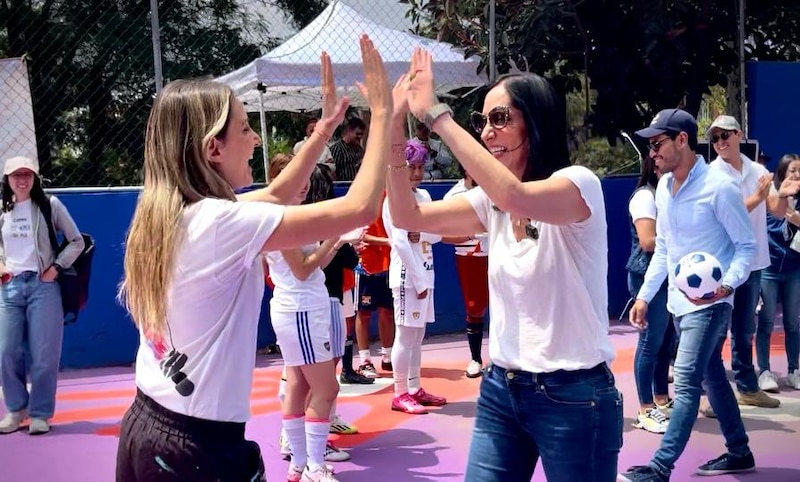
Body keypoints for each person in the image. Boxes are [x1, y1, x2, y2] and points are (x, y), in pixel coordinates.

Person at [114, 36, 392, 482]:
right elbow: (359, 207)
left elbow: (278, 194)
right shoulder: (221, 224)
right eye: (245, 129)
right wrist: (382, 115)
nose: (256, 140)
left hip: (151, 422)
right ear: (212, 149)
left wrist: (321, 132)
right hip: (194, 445)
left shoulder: (173, 211)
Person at [390, 48, 621, 481]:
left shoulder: (577, 184)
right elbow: (407, 217)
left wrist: (438, 115)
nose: (487, 132)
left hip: (572, 393)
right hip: (503, 388)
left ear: (534, 121)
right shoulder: (490, 201)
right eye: (482, 122)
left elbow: (516, 195)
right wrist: (390, 135)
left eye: (499, 119)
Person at [619, 108, 757, 481]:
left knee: (685, 379)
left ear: (682, 140)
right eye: (650, 145)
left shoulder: (719, 187)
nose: (653, 152)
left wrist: (726, 286)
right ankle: (740, 452)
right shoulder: (663, 187)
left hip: (711, 306)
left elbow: (746, 246)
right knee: (712, 377)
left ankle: (660, 467)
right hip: (678, 303)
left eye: (659, 143)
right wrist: (644, 296)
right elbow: (663, 248)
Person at [266, 156, 357, 480]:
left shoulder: (289, 216)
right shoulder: (284, 219)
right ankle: (314, 467)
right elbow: (303, 270)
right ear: (279, 180)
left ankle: (300, 465)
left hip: (300, 308)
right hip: (301, 310)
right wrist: (334, 238)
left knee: (299, 386)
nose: (304, 182)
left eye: (306, 175)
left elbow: (310, 266)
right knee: (326, 389)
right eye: (296, 176)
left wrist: (335, 242)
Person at [0, 156, 85, 435]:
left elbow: (77, 241)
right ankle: (16, 409)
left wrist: (57, 267)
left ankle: (40, 413)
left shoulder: (50, 205)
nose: (22, 180)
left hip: (43, 286)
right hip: (9, 287)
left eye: (27, 174)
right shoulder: (1, 208)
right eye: (16, 175)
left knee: (44, 354)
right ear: (7, 179)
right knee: (6, 351)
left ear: (35, 177)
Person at [705, 115, 779, 410]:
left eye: (725, 136)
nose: (720, 142)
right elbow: (728, 215)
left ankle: (747, 387)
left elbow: (775, 208)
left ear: (739, 135)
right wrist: (759, 196)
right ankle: (716, 394)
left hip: (754, 262)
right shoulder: (711, 175)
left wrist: (783, 193)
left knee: (744, 329)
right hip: (723, 264)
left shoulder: (758, 170)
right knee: (718, 329)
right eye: (715, 138)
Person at [383, 139, 446, 414]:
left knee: (417, 336)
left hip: (426, 272)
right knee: (405, 335)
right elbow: (399, 241)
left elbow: (437, 233)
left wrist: (421, 233)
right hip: (408, 277)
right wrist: (418, 280)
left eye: (421, 167)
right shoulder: (393, 199)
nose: (418, 173)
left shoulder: (425, 197)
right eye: (412, 167)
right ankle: (399, 393)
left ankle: (414, 387)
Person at [625, 154, 675, 434]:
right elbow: (647, 242)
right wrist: (681, 237)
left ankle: (661, 399)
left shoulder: (667, 194)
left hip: (666, 276)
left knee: (664, 340)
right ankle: (645, 409)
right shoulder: (645, 197)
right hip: (646, 276)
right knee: (650, 341)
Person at [756, 154, 800, 391]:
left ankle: (794, 370)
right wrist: (784, 203)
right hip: (769, 269)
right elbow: (770, 224)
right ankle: (764, 371)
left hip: (794, 268)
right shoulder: (771, 196)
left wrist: (796, 217)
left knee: (793, 322)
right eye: (793, 170)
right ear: (783, 171)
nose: (797, 175)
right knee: (765, 322)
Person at [442, 168, 489, 378]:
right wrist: (471, 233)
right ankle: (476, 359)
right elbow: (443, 236)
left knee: (506, 303)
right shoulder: (453, 196)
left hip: (499, 253)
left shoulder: (495, 188)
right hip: (469, 257)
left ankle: (503, 358)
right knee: (474, 307)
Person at [329, 117, 366, 182]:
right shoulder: (337, 149)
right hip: (341, 186)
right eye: (357, 134)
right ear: (349, 131)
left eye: (361, 134)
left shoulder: (359, 150)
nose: (359, 137)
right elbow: (332, 171)